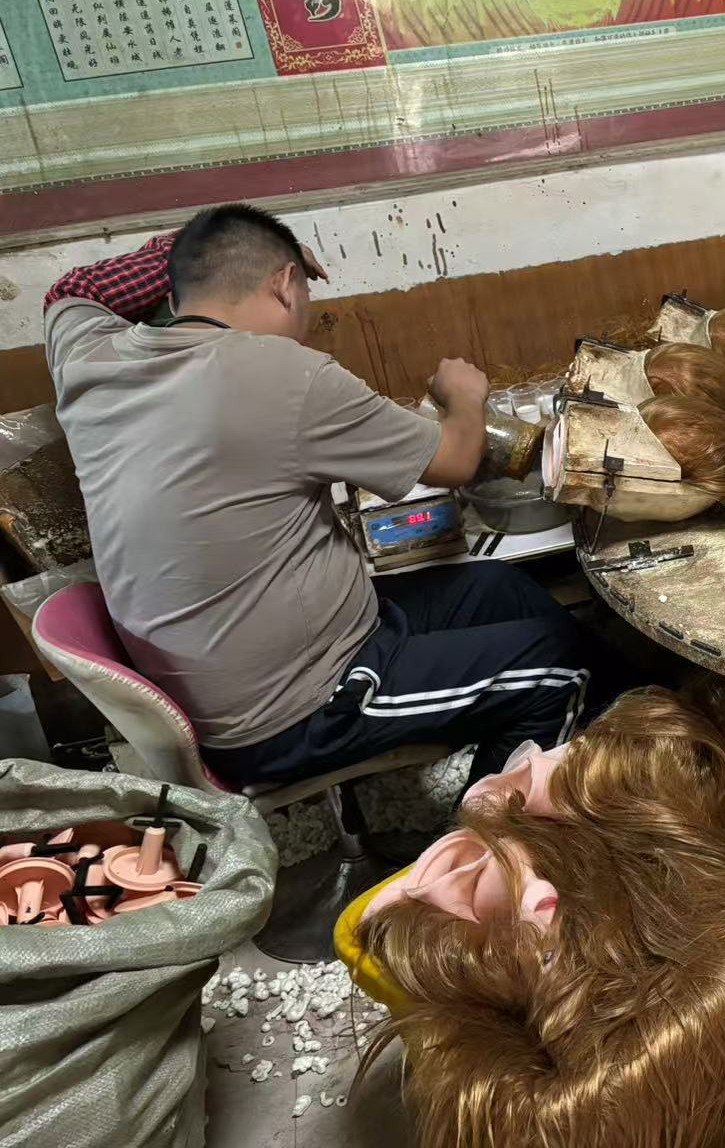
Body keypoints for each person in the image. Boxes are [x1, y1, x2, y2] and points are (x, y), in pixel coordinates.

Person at [44, 203, 631, 789]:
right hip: (291, 709)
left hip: (263, 660)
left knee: (502, 588)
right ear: (285, 285)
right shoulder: (283, 373)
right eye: (303, 294)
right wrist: (463, 394)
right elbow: (455, 460)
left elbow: (73, 290)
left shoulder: (87, 355)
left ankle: (618, 748)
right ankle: (490, 837)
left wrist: (215, 246)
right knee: (561, 667)